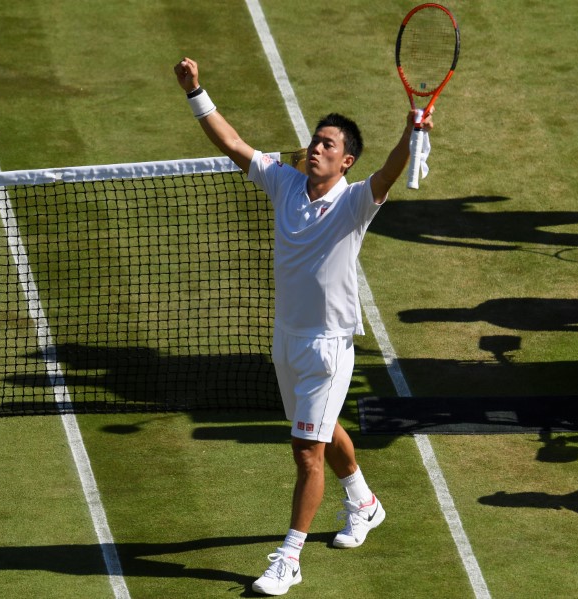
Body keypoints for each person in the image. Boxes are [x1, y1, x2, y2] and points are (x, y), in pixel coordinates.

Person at [173, 57, 433, 596]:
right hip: (285, 341)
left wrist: (412, 133)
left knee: (306, 451)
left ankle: (288, 557)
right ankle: (364, 501)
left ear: (346, 162)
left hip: (330, 346)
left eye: (329, 146)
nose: (316, 148)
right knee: (321, 429)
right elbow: (233, 144)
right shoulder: (284, 184)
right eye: (315, 141)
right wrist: (196, 92)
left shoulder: (356, 203)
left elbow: (387, 172)